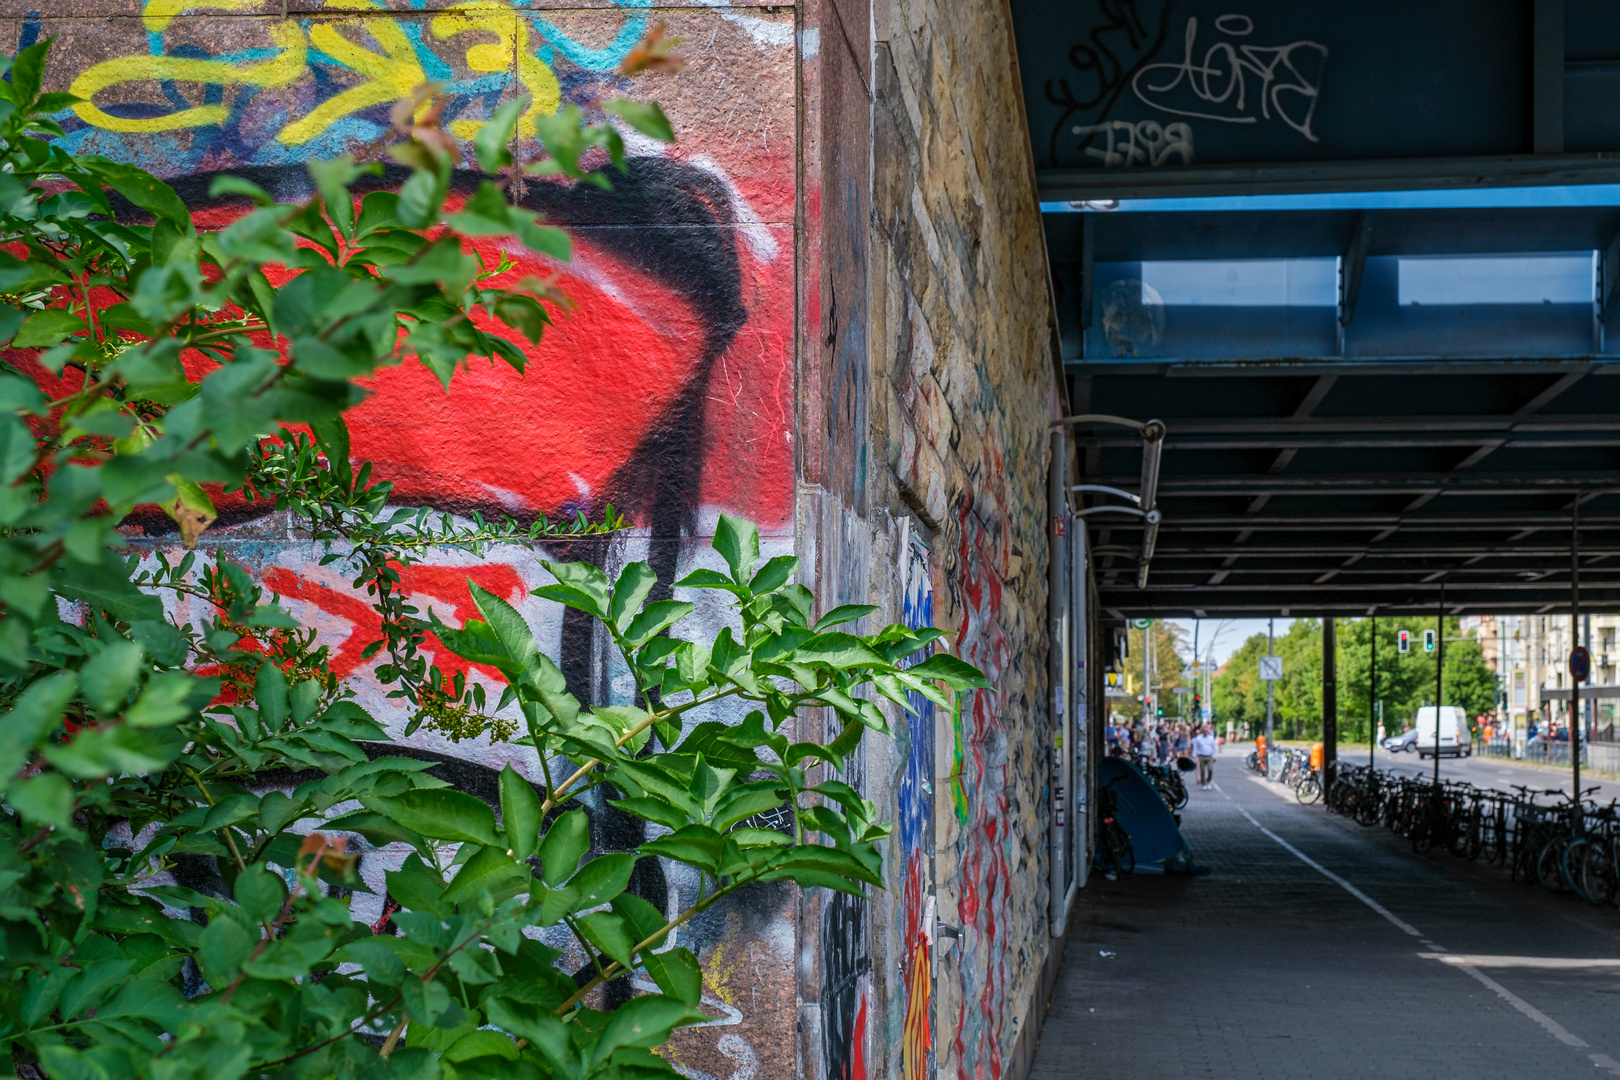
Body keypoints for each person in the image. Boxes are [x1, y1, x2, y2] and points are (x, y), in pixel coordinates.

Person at [1192, 723, 1218, 790]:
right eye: (1204, 730)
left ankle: (1208, 781)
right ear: (1202, 731)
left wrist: (1215, 756)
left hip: (1209, 756)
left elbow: (1214, 747)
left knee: (1210, 769)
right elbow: (1196, 748)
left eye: (1206, 730)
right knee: (1202, 771)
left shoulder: (1211, 738)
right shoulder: (1199, 738)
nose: (1205, 732)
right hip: (1201, 756)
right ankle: (1203, 783)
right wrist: (1194, 756)